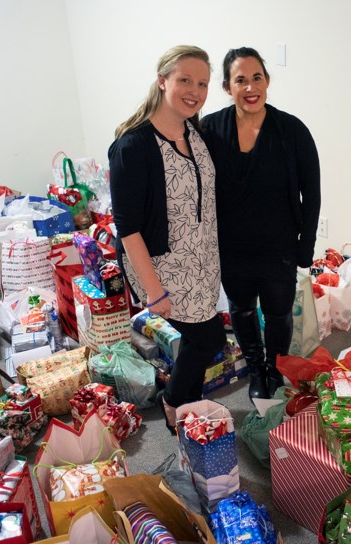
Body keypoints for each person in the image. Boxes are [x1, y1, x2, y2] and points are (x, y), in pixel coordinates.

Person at [109, 45, 224, 432]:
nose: (195, 90)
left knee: (205, 337)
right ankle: (173, 401)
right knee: (206, 338)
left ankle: (186, 400)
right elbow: (128, 228)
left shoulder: (196, 131)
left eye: (203, 83)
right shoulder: (133, 146)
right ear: (162, 82)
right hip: (163, 266)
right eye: (185, 80)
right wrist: (154, 292)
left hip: (202, 258)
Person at [202, 47, 320, 400]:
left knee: (279, 313)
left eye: (257, 78)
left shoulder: (292, 130)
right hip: (232, 246)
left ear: (267, 81)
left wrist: (306, 247)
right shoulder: (210, 129)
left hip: (278, 245)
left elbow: (311, 193)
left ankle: (275, 368)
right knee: (240, 309)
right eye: (241, 80)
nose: (250, 87)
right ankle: (255, 368)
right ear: (227, 87)